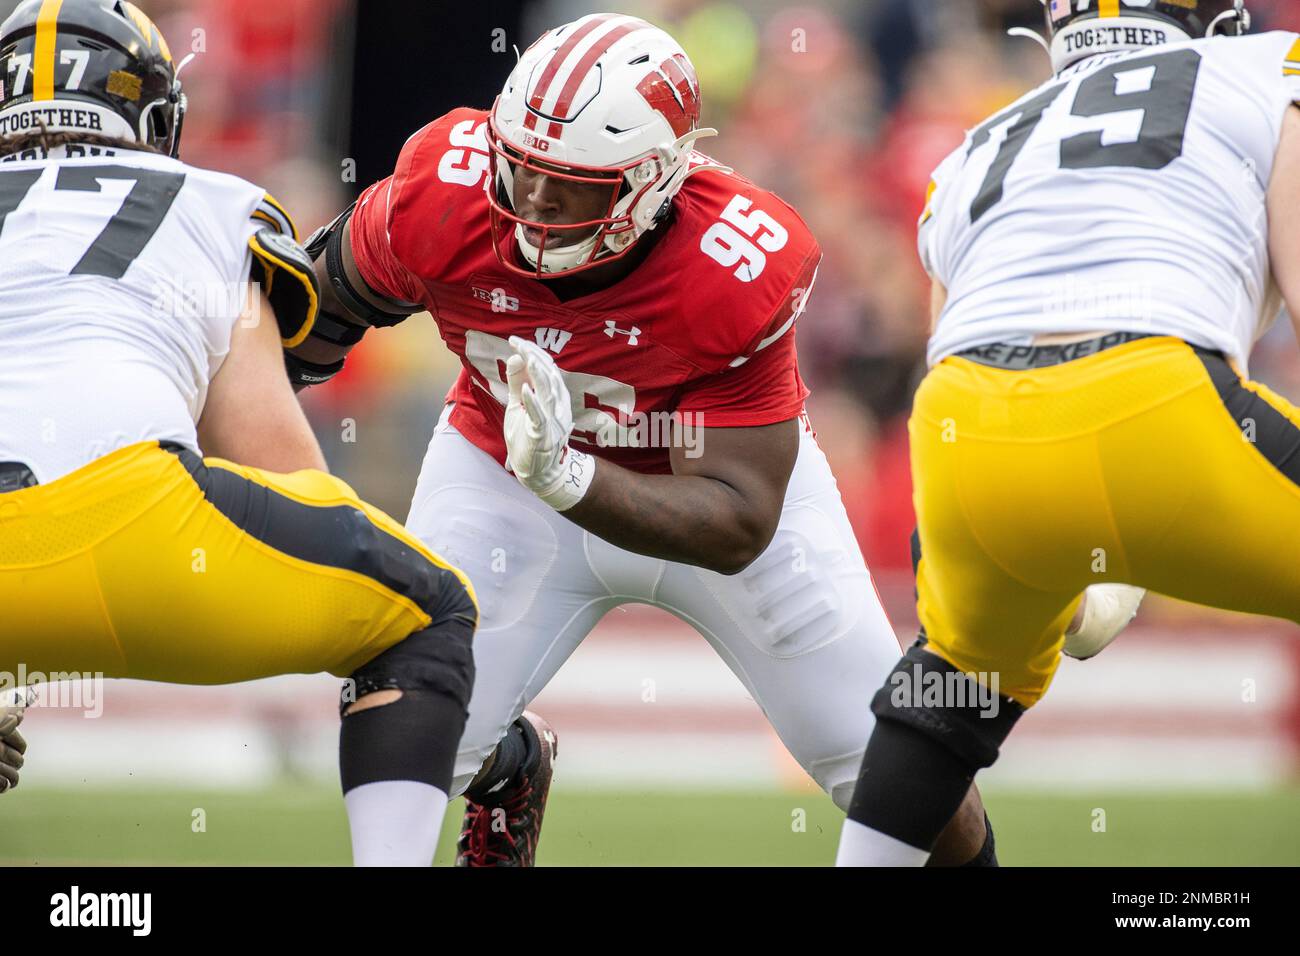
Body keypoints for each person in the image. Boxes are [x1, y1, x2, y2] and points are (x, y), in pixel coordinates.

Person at [290, 11, 1027, 867]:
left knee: (892, 770)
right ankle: (508, 765)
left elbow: (743, 521)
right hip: (502, 475)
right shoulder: (444, 190)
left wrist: (570, 477)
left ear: (652, 182)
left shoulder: (736, 260)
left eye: (568, 185)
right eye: (519, 168)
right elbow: (319, 310)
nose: (531, 205)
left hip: (699, 486)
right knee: (405, 698)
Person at [0, 0, 477, 867]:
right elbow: (284, 473)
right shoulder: (210, 203)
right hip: (129, 520)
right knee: (427, 612)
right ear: (151, 112)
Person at [835, 0, 1299, 865]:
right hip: (1159, 399)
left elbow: (951, 352)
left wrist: (1056, 561)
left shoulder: (973, 143)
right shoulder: (1270, 67)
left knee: (949, 693)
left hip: (966, 432)